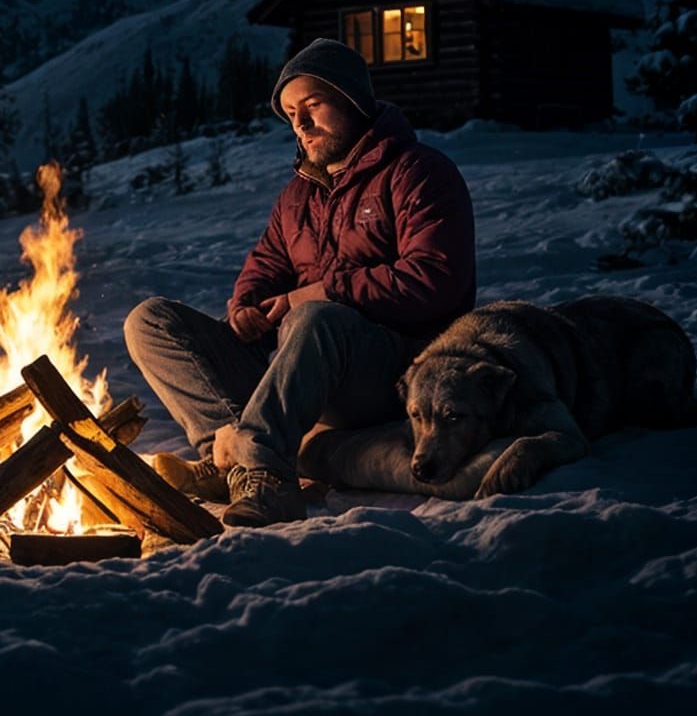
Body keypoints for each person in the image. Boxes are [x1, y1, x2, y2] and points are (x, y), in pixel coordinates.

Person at [123, 38, 476, 527]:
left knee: (317, 316)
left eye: (313, 106)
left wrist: (326, 291)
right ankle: (232, 462)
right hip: (301, 368)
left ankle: (267, 474)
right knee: (151, 320)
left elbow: (435, 279)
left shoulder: (418, 172)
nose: (301, 124)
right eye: (291, 113)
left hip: (394, 371)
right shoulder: (298, 196)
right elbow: (266, 266)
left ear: (352, 100)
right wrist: (246, 305)